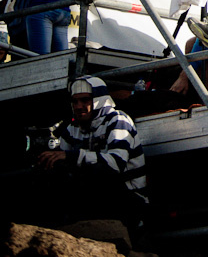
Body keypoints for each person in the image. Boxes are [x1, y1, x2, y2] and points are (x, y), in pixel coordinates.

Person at [35, 77, 147, 228]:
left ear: (98, 99)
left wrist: (73, 156)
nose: (78, 106)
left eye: (85, 100)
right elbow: (60, 157)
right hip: (95, 196)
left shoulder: (118, 119)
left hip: (129, 197)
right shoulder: (73, 128)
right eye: (75, 101)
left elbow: (115, 164)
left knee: (95, 172)